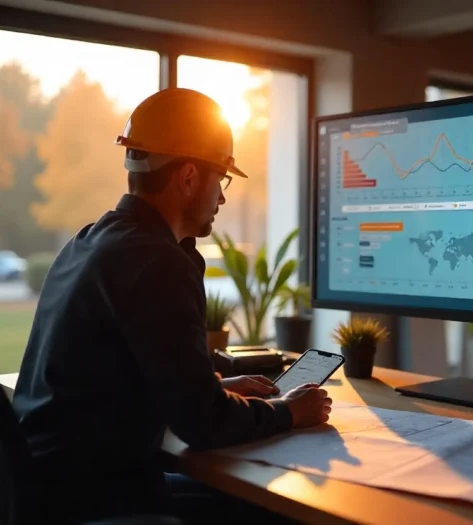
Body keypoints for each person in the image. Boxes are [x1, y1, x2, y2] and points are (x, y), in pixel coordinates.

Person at [11, 88, 331, 525]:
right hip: (98, 501)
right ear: (187, 178)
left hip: (53, 489)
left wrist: (212, 380)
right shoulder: (155, 260)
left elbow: (131, 366)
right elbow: (203, 424)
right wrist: (289, 411)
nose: (221, 198)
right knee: (279, 510)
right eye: (220, 179)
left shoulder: (88, 241)